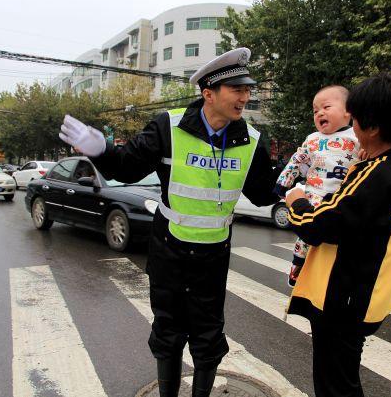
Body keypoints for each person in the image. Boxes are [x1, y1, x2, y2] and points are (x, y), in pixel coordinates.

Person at [58, 47, 279, 397]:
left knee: (208, 336)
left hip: (214, 255)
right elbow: (128, 168)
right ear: (209, 93)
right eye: (237, 90)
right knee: (169, 332)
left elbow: (264, 194)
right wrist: (100, 151)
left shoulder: (251, 140)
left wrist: (296, 181)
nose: (245, 97)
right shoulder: (169, 126)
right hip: (169, 250)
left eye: (247, 89)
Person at [285, 72, 391, 397]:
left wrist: (296, 198)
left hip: (345, 301)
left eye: (355, 118)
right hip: (360, 296)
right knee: (342, 379)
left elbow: (321, 225)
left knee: (335, 385)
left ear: (371, 127)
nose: (352, 125)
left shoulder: (379, 173)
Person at [275, 85, 360, 286]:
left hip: (340, 200)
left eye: (326, 107)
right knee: (304, 238)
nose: (319, 113)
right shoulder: (312, 139)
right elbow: (297, 161)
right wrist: (283, 184)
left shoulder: (356, 137)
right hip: (312, 197)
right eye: (315, 111)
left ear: (348, 111)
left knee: (337, 244)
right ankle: (297, 269)